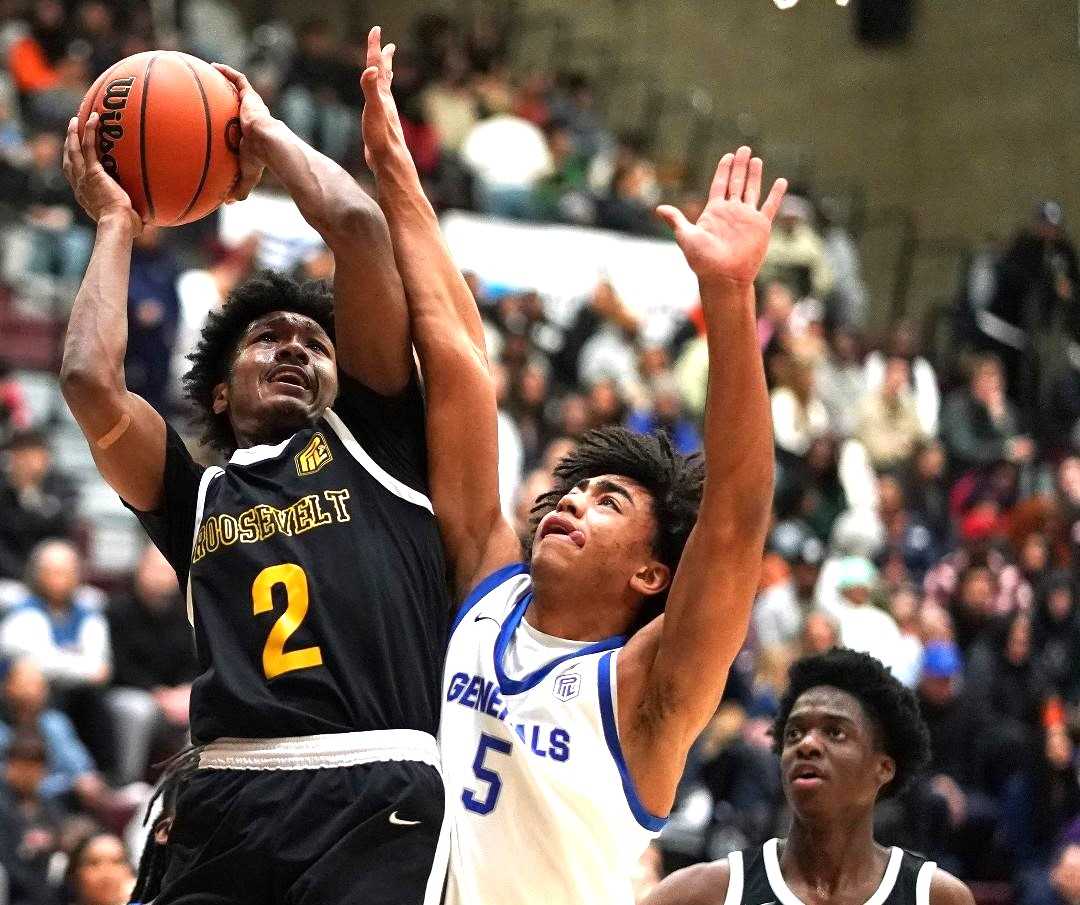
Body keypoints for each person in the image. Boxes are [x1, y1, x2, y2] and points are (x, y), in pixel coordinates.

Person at [361, 33, 784, 904]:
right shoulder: (489, 590)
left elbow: (737, 517)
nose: (573, 502)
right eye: (574, 488)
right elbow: (459, 358)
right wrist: (396, 171)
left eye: (609, 500)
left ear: (652, 571)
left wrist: (729, 296)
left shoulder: (646, 691)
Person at [59, 46, 450, 905]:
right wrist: (117, 223)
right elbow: (89, 381)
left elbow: (358, 228)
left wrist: (263, 137)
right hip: (226, 793)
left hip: (371, 788)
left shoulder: (374, 439)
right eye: (268, 338)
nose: (295, 350)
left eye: (315, 343)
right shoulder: (194, 497)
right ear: (219, 390)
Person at [642, 649, 975, 905]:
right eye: (794, 733)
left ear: (883, 768)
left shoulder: (935, 896)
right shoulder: (705, 893)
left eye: (835, 732)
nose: (807, 744)